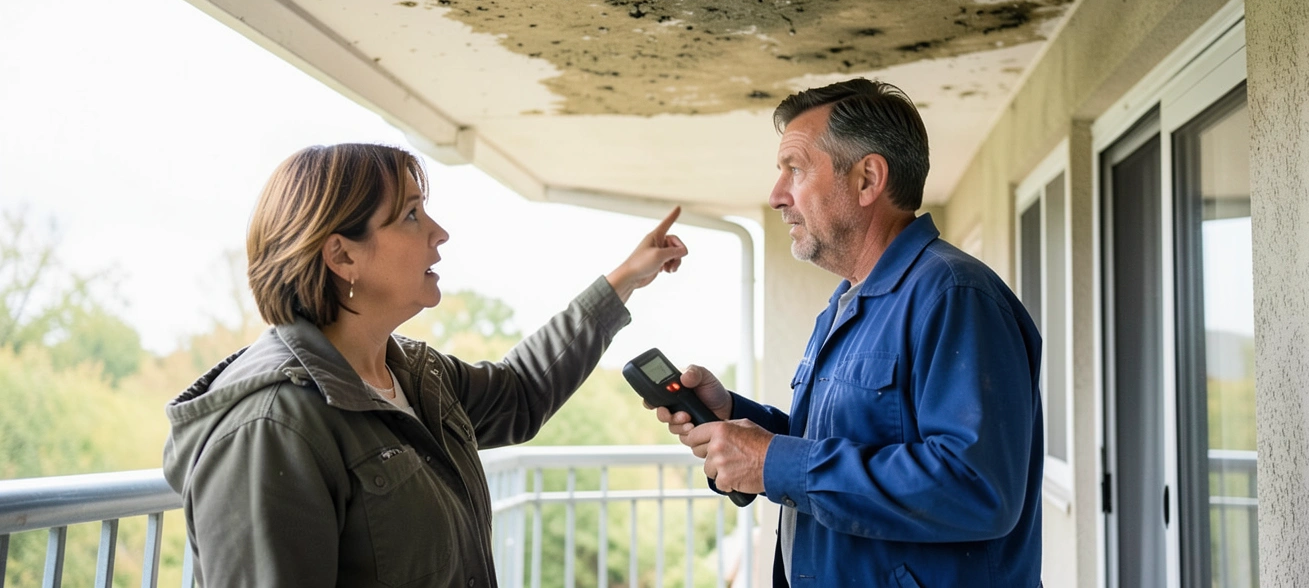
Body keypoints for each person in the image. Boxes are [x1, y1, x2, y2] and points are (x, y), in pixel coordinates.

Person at [163, 143, 688, 587]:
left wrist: (625, 279)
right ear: (342, 257)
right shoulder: (270, 430)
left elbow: (520, 393)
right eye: (411, 214)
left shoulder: (414, 372)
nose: (439, 232)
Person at [650, 79, 1043, 587]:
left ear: (867, 179)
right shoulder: (846, 302)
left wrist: (775, 462)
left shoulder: (954, 295)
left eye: (795, 169)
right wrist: (739, 418)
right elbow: (847, 441)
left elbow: (975, 488)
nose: (775, 196)